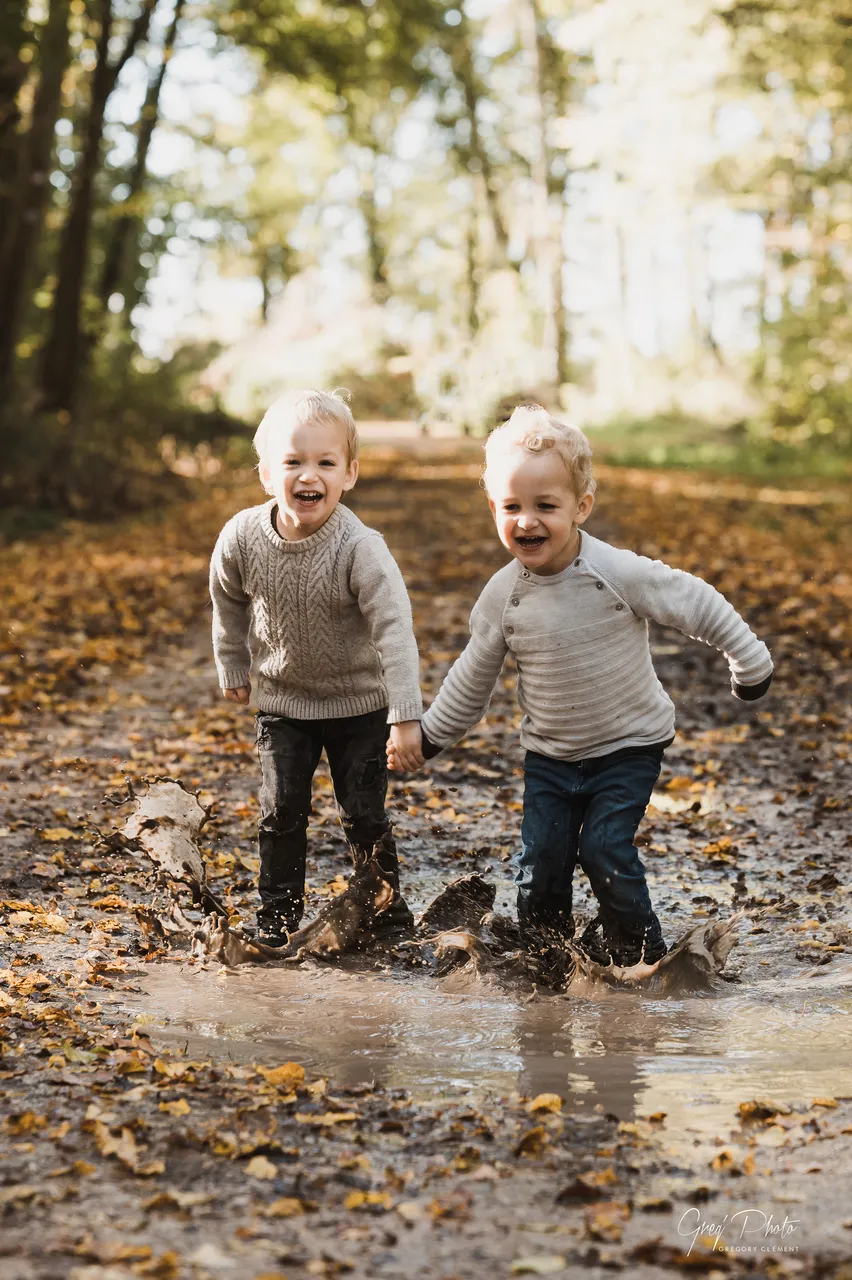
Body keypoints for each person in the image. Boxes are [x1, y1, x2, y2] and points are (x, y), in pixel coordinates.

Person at [388, 406, 773, 968]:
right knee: (540, 863)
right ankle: (549, 962)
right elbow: (474, 674)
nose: (528, 522)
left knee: (604, 849)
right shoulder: (503, 596)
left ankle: (645, 961)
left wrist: (751, 662)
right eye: (513, 507)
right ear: (494, 508)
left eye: (546, 506)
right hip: (551, 755)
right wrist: (429, 737)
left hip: (628, 745)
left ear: (581, 507)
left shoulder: (616, 572)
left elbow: (693, 601)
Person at [209, 389, 424, 947]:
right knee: (281, 813)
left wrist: (404, 716)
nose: (310, 475)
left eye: (326, 462)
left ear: (349, 473)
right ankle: (277, 919)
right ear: (265, 474)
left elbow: (394, 631)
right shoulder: (240, 538)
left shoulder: (360, 548)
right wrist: (232, 661)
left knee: (363, 816)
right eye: (294, 462)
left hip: (360, 706)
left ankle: (386, 914)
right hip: (283, 705)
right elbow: (226, 597)